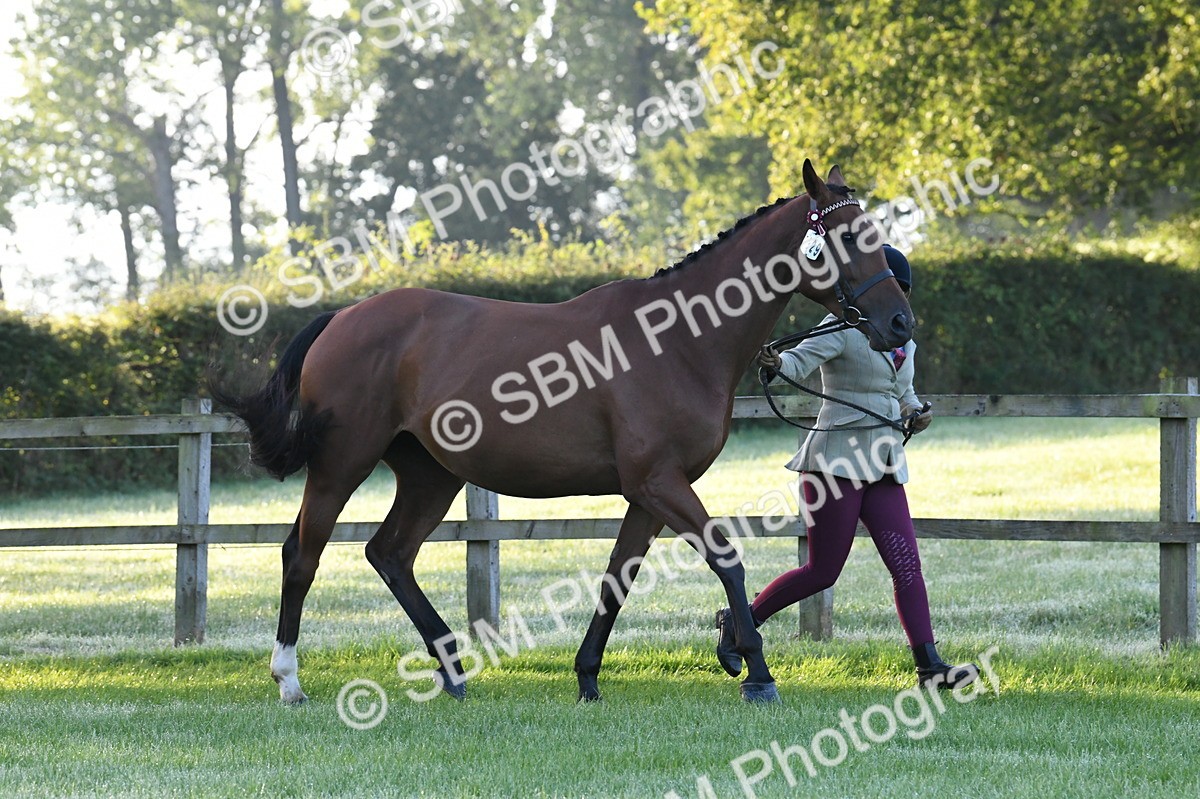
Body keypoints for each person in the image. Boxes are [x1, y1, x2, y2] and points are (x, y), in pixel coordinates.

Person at [716, 245, 978, 689]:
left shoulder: (904, 341)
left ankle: (930, 667)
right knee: (823, 571)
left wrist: (917, 410)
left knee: (907, 567)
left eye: (903, 293)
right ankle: (740, 621)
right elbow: (798, 360)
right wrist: (777, 362)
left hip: (884, 465)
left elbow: (904, 393)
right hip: (834, 464)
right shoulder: (840, 328)